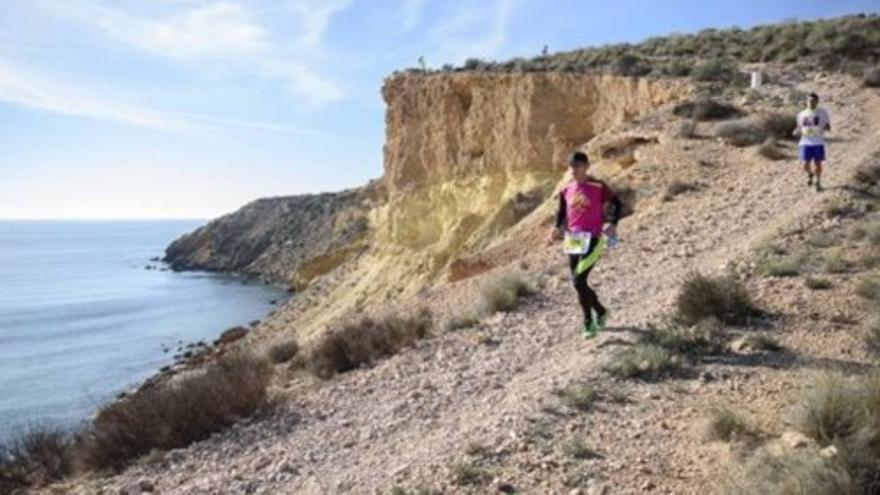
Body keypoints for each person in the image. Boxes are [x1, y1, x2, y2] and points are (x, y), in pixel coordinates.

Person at [548, 151, 623, 338]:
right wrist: (556, 227)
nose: (573, 169)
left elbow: (617, 203)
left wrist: (613, 223)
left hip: (593, 238)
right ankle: (601, 311)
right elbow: (561, 212)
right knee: (578, 284)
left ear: (586, 167)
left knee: (579, 280)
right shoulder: (566, 189)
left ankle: (588, 323)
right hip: (573, 239)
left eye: (577, 166)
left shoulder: (598, 186)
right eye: (571, 166)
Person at [796, 93, 831, 192]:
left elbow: (828, 126)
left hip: (818, 142)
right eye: (809, 101)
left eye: (813, 101)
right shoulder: (801, 114)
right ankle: (810, 174)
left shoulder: (823, 113)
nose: (811, 103)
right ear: (806, 102)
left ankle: (818, 183)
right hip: (805, 142)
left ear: (817, 102)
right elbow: (800, 127)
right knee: (805, 165)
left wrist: (826, 127)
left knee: (818, 164)